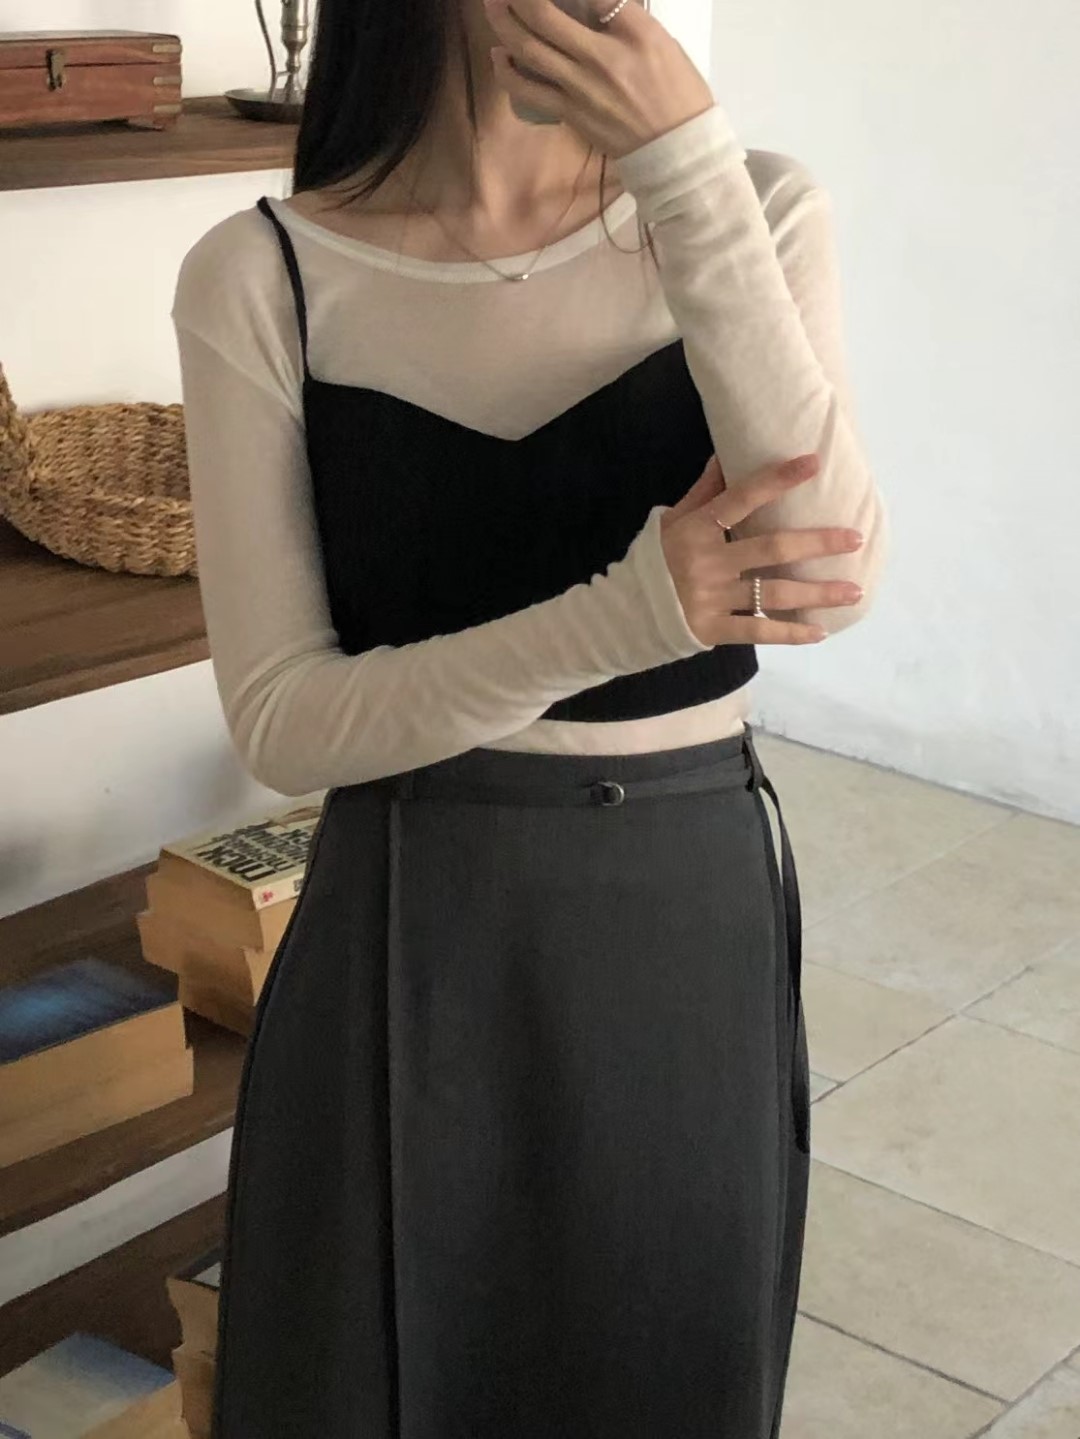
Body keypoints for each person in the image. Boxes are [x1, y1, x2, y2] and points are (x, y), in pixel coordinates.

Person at [171, 0, 887, 1432]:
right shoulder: (263, 272)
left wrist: (685, 167)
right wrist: (634, 614)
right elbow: (285, 720)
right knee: (372, 1375)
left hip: (682, 906)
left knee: (661, 1363)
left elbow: (826, 572)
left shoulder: (750, 204)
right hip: (409, 911)